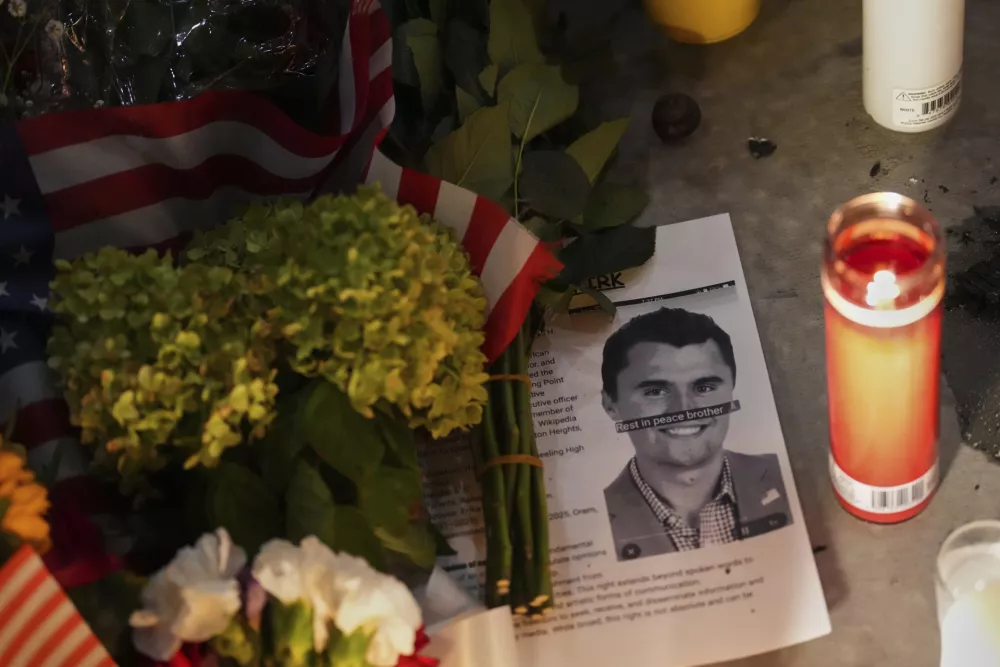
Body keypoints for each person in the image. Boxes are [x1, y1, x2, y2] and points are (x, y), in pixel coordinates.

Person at [601, 306, 790, 561]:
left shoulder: (788, 478)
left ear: (732, 389)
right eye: (655, 391)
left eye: (704, 387)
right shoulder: (594, 520)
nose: (685, 409)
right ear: (611, 405)